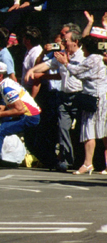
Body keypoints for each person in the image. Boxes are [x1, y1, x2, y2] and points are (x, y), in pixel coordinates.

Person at [25, 27, 84, 172]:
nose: (63, 43)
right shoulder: (62, 55)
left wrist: (66, 63)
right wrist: (32, 70)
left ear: (76, 42)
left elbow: (80, 73)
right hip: (64, 96)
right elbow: (48, 64)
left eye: (66, 41)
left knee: (80, 130)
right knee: (62, 128)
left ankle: (82, 160)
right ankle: (66, 159)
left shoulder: (83, 56)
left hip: (78, 96)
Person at [55, 34, 107, 175]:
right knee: (101, 131)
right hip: (98, 98)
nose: (82, 50)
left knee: (90, 129)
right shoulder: (98, 59)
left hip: (95, 99)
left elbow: (77, 72)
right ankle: (89, 163)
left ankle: (88, 163)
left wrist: (65, 62)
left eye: (83, 47)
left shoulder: (92, 59)